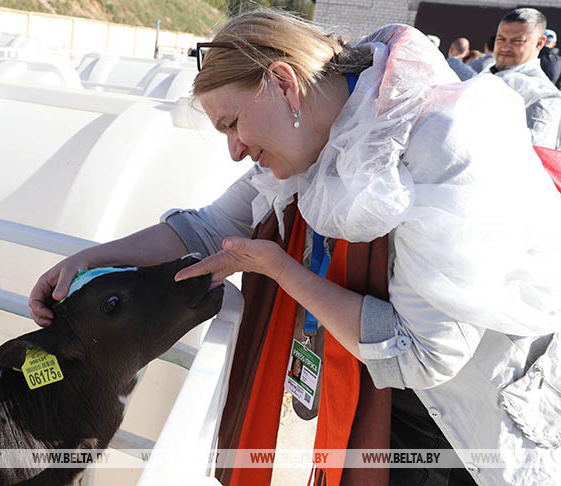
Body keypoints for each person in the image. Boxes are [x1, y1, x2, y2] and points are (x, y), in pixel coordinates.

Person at [29, 9, 561, 486]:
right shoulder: (321, 133)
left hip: (468, 428)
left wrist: (279, 270)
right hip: (380, 400)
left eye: (232, 123)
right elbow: (209, 228)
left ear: (284, 83)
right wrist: (90, 259)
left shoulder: (441, 141)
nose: (236, 151)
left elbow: (424, 356)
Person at [491, 8, 561, 148]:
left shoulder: (544, 97)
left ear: (540, 43)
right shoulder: (485, 76)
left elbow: (536, 155)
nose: (505, 46)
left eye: (517, 41)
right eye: (501, 39)